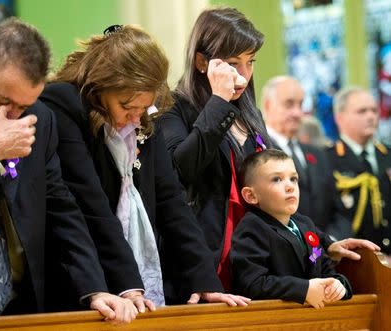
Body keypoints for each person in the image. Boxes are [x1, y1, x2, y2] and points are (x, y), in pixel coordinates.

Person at [158, 7, 380, 292]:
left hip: (258, 262)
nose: (243, 75)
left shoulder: (251, 115)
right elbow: (181, 170)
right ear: (202, 62)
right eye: (233, 63)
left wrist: (322, 243)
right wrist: (218, 101)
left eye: (250, 62)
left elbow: (273, 190)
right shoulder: (175, 109)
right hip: (204, 264)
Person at [0, 18, 137, 323]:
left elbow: (61, 209)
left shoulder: (39, 119)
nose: (13, 117)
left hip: (24, 310)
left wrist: (95, 289)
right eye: (3, 102)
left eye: (24, 106)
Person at [39, 24, 250, 308]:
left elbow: (171, 199)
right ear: (103, 85)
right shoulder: (64, 104)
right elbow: (91, 203)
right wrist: (128, 284)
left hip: (133, 282)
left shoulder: (143, 113)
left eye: (143, 108)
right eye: (126, 106)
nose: (135, 117)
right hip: (83, 278)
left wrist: (204, 280)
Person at [231, 149, 352, 308]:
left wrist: (339, 284)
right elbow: (253, 284)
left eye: (293, 179)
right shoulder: (252, 228)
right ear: (251, 196)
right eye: (277, 179)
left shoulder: (305, 225)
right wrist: (304, 289)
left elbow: (325, 268)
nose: (290, 186)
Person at [261, 76, 345, 232]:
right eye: (289, 104)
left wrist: (331, 243)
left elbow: (339, 211)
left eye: (300, 104)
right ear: (267, 105)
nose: (297, 113)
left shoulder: (318, 154)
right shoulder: (259, 152)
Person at [327, 86, 391, 255]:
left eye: (374, 111)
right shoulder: (328, 159)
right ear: (339, 117)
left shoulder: (387, 154)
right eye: (362, 111)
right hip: (355, 262)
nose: (371, 116)